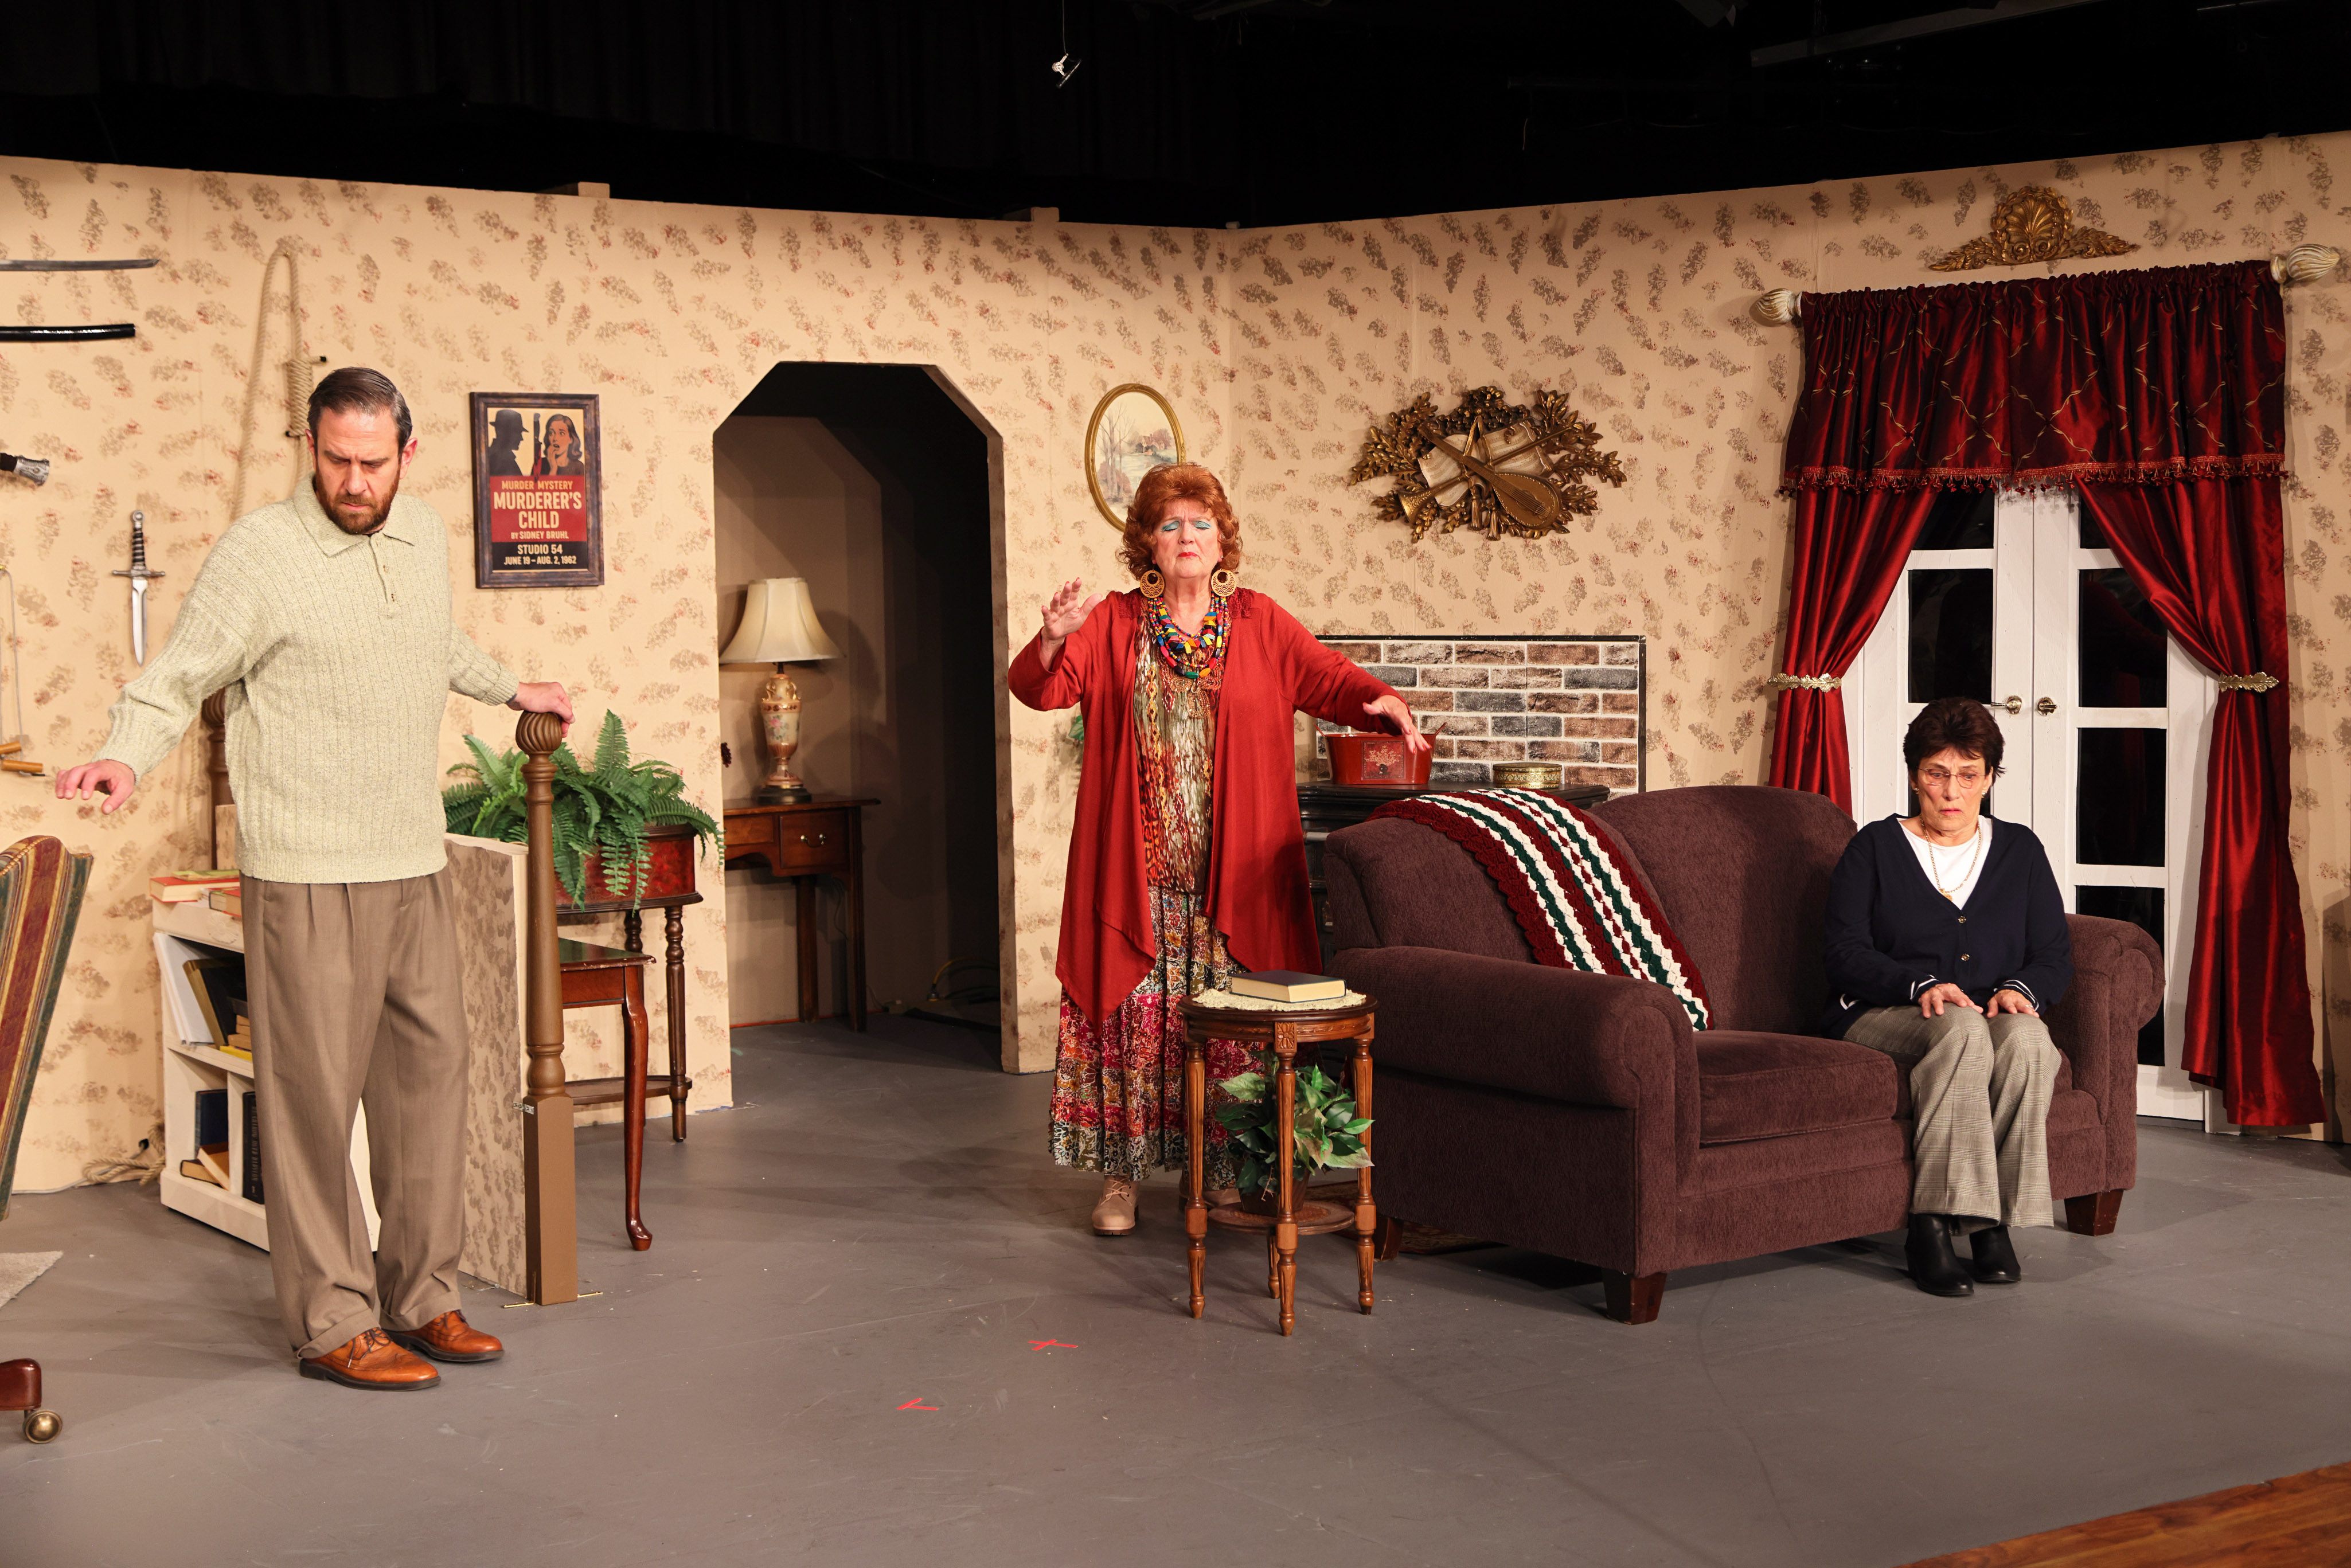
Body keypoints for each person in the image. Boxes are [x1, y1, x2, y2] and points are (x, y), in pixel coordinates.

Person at [56, 368, 575, 1390]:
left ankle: (422, 1297)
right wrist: (123, 753)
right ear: (311, 446)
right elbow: (179, 675)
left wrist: (512, 686)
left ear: (407, 455)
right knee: (311, 1107)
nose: (353, 481)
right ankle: (335, 1321)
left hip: (413, 859)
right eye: (335, 459)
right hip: (307, 872)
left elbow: (432, 639)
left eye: (371, 462)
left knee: (429, 1090)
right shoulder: (260, 554)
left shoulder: (421, 534)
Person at [1009, 462, 1427, 1235]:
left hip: (1233, 877)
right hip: (1136, 876)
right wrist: (1053, 636)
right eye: (1169, 524)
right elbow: (1041, 688)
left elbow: (1329, 678)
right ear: (1147, 543)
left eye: (1200, 523)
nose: (1187, 536)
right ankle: (1121, 1178)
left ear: (1222, 538)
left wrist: (1380, 700)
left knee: (1230, 1026)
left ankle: (1225, 1174)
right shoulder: (1112, 623)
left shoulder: (1260, 621)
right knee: (1132, 1020)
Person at [1821, 695, 2071, 1298]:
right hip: (1883, 1010)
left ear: (1988, 778)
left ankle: (1991, 1223)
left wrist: (2018, 991)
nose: (1951, 791)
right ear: (1914, 777)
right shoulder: (1873, 848)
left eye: (1967, 774)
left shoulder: (2020, 851)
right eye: (1936, 773)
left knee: (2029, 1041)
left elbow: (2053, 954)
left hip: (1981, 1011)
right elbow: (1842, 952)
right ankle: (1929, 1226)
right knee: (1960, 1029)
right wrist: (1918, 985)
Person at [537, 413, 587, 478]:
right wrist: (553, 469)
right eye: (551, 433)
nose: (555, 439)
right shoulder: (539, 465)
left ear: (571, 439)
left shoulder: (578, 467)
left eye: (561, 433)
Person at [486, 407, 526, 476]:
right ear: (504, 432)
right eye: (517, 432)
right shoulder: (499, 461)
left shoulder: (503, 459)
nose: (521, 438)